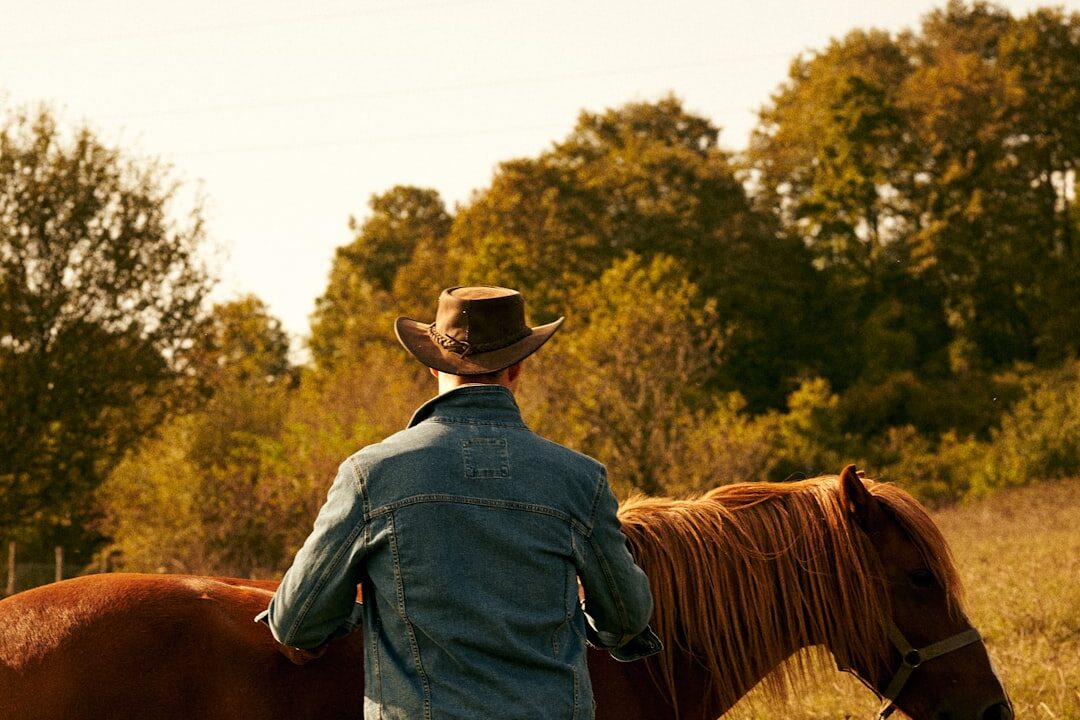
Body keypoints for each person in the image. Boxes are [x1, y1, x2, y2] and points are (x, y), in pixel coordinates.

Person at [257, 285, 659, 720]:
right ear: (518, 366)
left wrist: (371, 614)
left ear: (433, 366)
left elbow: (296, 621)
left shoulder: (369, 475)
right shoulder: (581, 480)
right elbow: (627, 618)